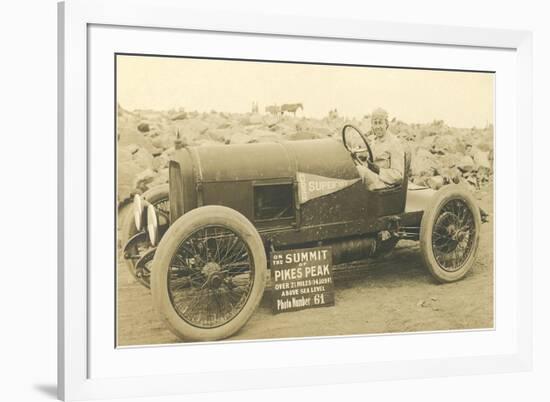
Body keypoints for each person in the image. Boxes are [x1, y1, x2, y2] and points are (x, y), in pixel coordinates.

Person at [356, 108, 405, 190]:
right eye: (375, 123)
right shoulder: (374, 141)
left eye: (380, 123)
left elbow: (398, 176)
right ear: (372, 126)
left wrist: (378, 170)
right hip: (375, 178)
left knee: (359, 171)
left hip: (385, 183)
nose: (378, 126)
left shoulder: (394, 143)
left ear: (386, 124)